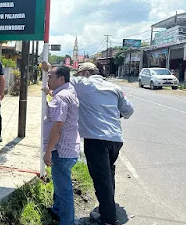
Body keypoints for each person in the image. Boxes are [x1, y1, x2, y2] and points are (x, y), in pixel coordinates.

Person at [43, 62, 134, 225]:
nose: (77, 77)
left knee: (101, 179)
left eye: (79, 73)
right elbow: (128, 110)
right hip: (115, 139)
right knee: (108, 173)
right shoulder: (115, 88)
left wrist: (46, 66)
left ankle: (107, 218)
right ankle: (107, 207)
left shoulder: (82, 83)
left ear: (85, 73)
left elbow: (62, 76)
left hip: (96, 140)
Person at [42, 66, 80, 225]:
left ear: (61, 79)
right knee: (60, 184)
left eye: (50, 77)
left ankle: (67, 222)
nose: (47, 80)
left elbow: (57, 126)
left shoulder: (60, 98)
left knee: (64, 190)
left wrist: (48, 151)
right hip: (70, 148)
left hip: (61, 151)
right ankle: (57, 210)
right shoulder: (69, 90)